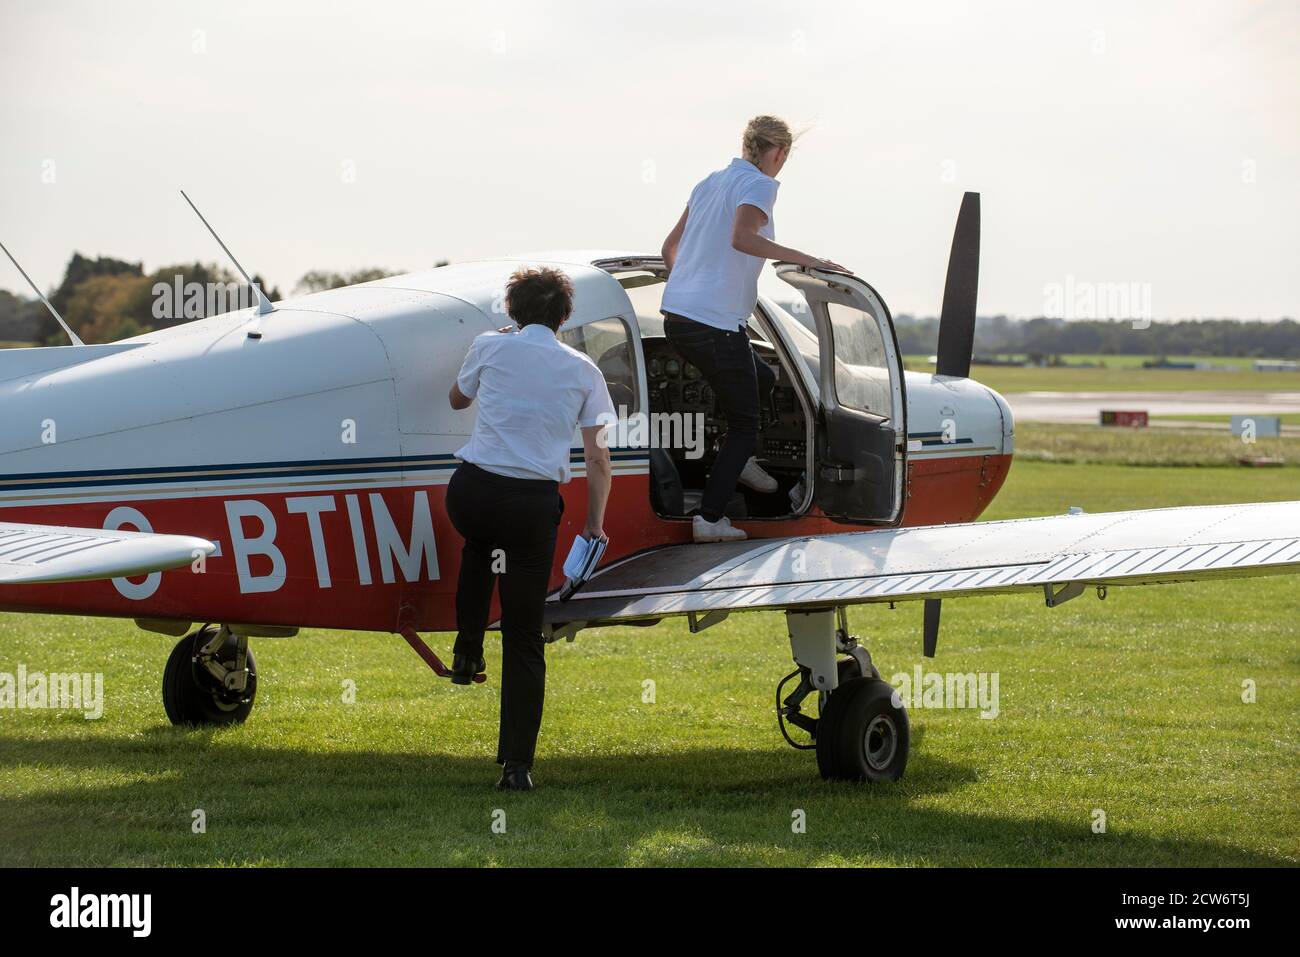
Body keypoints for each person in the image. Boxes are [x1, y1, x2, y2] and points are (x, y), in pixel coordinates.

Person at [446, 266, 614, 791]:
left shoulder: (489, 347)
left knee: (478, 547)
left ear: (513, 312)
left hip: (470, 490)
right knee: (523, 635)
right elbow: (598, 457)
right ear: (565, 316)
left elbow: (457, 400)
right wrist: (593, 524)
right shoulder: (584, 369)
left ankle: (467, 648)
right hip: (530, 504)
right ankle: (516, 766)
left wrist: (492, 348)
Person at [660, 115, 844, 542]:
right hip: (716, 324)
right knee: (747, 426)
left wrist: (689, 285)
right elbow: (743, 237)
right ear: (778, 154)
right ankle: (709, 519)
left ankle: (735, 457)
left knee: (762, 376)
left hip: (679, 319)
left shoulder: (709, 181)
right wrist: (808, 259)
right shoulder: (760, 184)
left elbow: (669, 248)